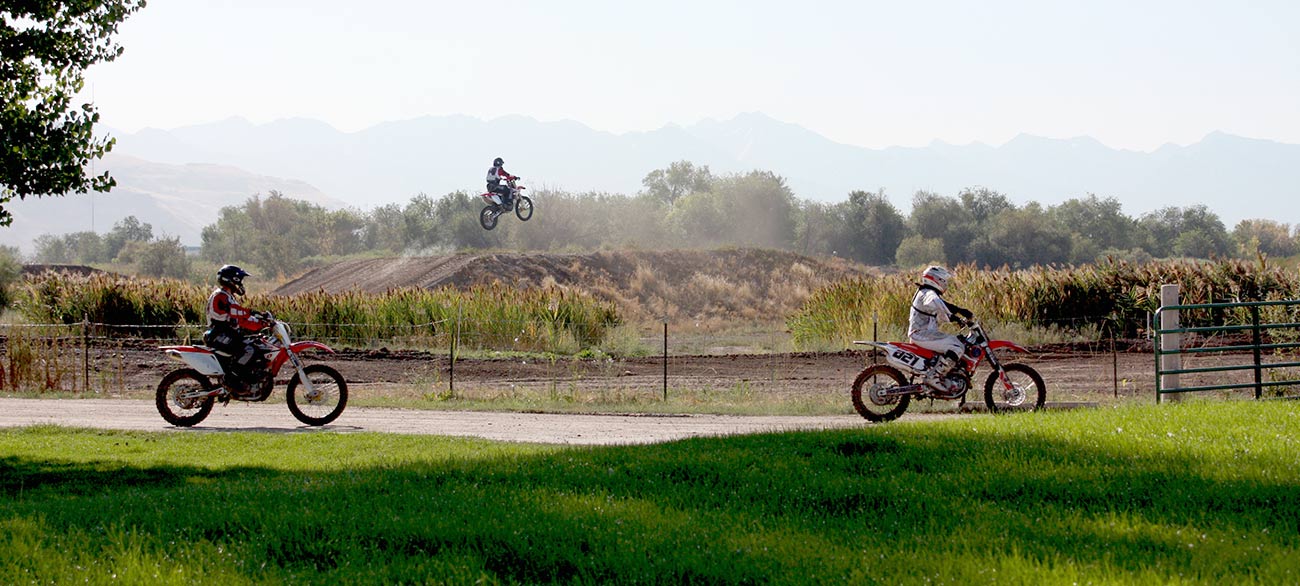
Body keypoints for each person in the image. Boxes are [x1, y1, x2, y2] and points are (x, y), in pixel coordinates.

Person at [204, 264, 270, 393]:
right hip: (219, 335)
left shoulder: (229, 296)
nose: (241, 284)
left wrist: (262, 323)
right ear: (233, 280)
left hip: (228, 334)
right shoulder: (220, 295)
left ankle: (250, 380)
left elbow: (241, 320)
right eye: (240, 280)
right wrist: (252, 312)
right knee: (248, 350)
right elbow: (235, 312)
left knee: (257, 346)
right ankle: (232, 380)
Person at [908, 265, 974, 392]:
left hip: (924, 333)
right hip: (921, 334)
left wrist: (960, 312)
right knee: (957, 346)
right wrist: (955, 317)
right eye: (944, 281)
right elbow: (938, 305)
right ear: (936, 279)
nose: (946, 284)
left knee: (955, 342)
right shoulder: (928, 294)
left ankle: (944, 375)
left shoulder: (926, 292)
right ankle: (935, 376)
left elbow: (942, 306)